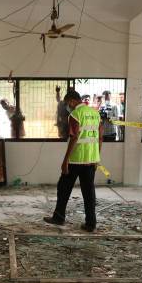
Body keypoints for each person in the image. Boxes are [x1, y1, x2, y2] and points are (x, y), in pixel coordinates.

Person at [44, 90, 103, 232]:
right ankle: (91, 223)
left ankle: (59, 217)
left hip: (76, 160)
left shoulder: (75, 115)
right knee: (89, 192)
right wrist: (97, 158)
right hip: (91, 160)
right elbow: (100, 138)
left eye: (67, 103)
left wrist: (65, 161)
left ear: (71, 101)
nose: (67, 106)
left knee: (63, 188)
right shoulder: (95, 114)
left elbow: (74, 137)